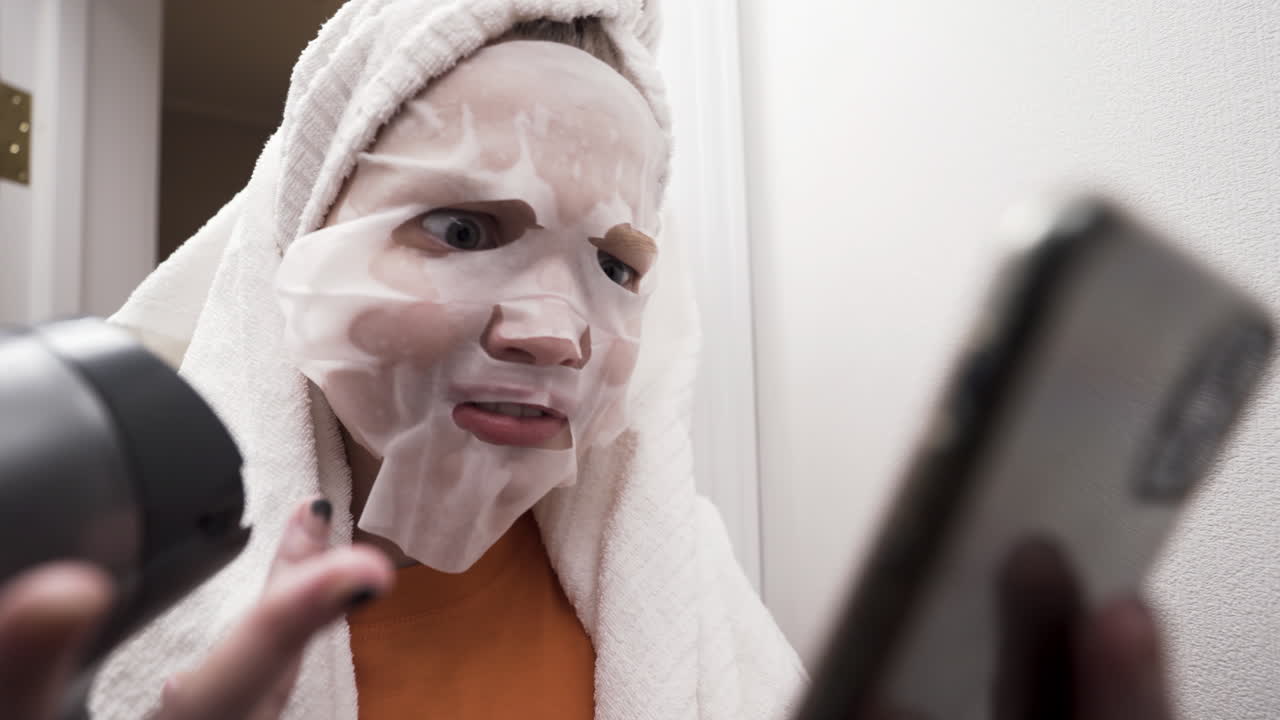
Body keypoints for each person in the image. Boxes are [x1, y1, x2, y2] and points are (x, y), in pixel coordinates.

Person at [0, 2, 1176, 719]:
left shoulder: (680, 597)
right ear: (291, 249)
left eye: (615, 264)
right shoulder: (68, 605)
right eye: (464, 229)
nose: (556, 332)